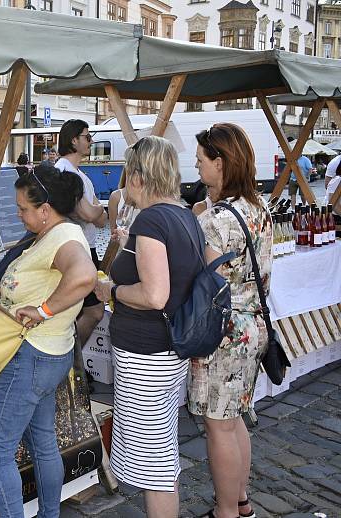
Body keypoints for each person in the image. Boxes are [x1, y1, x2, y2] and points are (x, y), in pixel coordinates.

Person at [0, 164, 96, 518]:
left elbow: (84, 277)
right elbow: (22, 293)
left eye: (23, 209)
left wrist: (44, 310)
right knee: (43, 442)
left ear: (45, 211)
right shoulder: (55, 235)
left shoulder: (63, 240)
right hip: (50, 353)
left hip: (32, 357)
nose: (18, 215)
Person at [94, 136, 203, 518]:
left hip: (147, 354)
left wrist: (112, 289)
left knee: (154, 465)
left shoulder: (153, 219)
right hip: (166, 350)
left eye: (128, 175)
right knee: (161, 452)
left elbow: (155, 294)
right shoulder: (184, 213)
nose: (125, 186)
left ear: (140, 176)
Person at [189, 123, 274, 518]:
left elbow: (205, 283)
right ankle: (241, 503)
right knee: (235, 417)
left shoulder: (216, 220)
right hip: (253, 325)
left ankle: (225, 512)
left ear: (219, 163)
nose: (197, 166)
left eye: (202, 160)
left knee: (218, 426)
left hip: (224, 333)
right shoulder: (258, 207)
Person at [56, 119, 108, 345]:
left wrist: (94, 211)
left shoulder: (82, 175)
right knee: (94, 311)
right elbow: (89, 214)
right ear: (73, 140)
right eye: (87, 137)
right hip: (74, 250)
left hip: (88, 248)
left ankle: (69, 361)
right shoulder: (64, 171)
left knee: (84, 310)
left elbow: (101, 220)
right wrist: (96, 209)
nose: (91, 141)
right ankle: (68, 358)